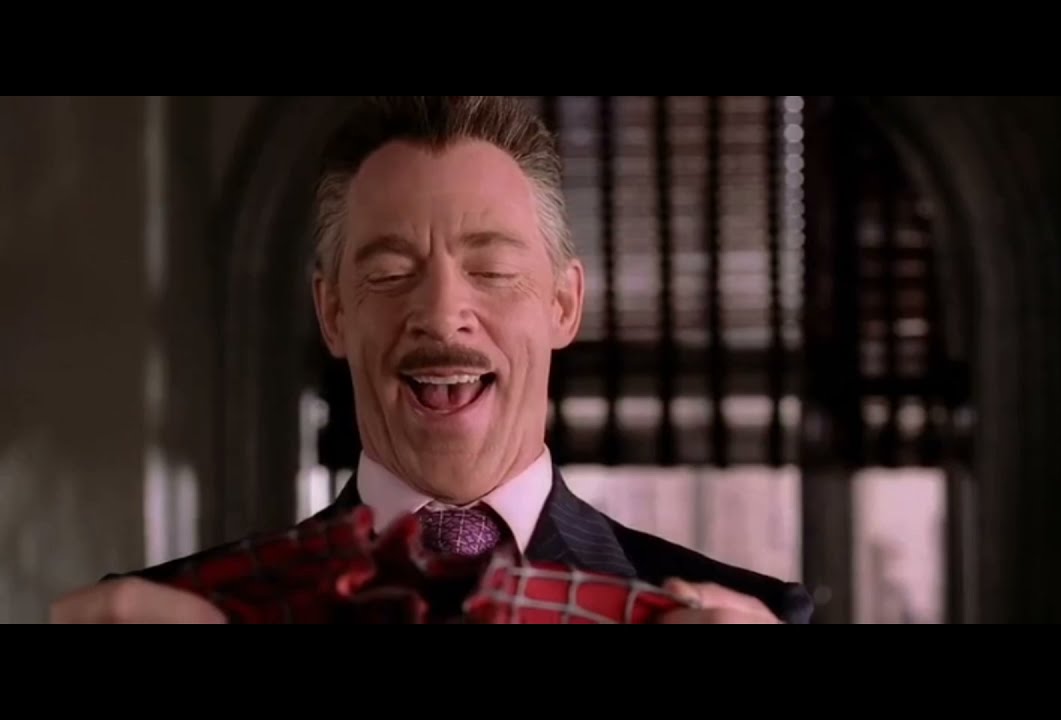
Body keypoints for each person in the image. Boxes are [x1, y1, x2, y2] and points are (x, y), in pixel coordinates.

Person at [49, 96, 815, 625]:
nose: (444, 314)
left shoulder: (753, 615)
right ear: (333, 313)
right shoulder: (165, 610)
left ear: (563, 304)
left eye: (492, 269)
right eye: (388, 273)